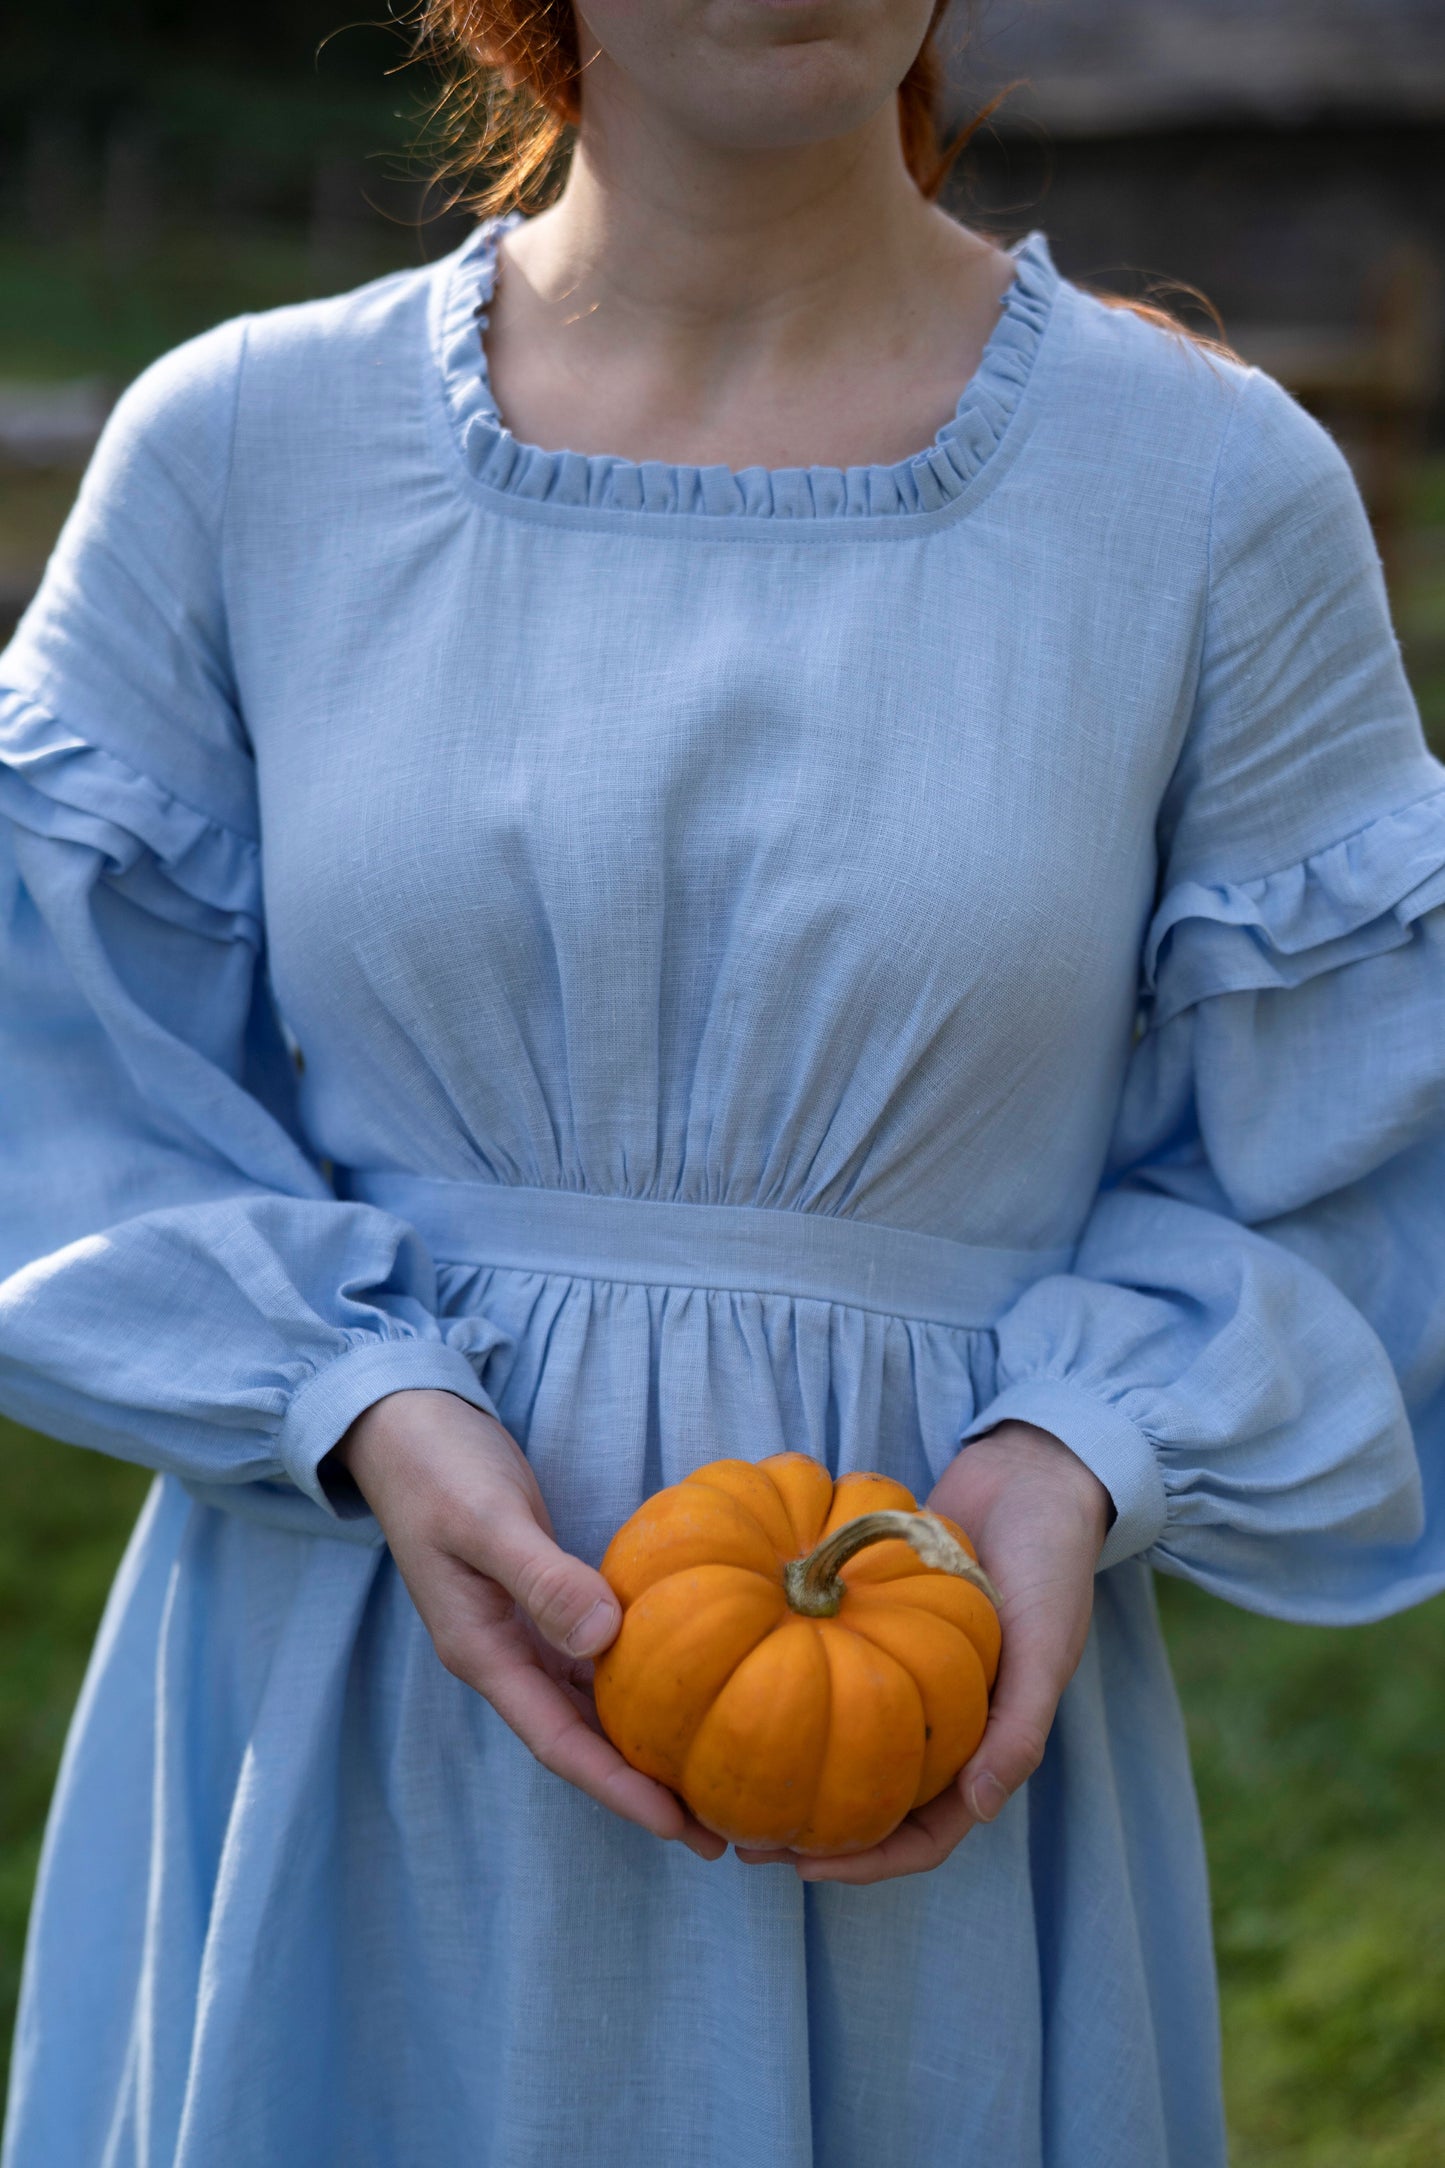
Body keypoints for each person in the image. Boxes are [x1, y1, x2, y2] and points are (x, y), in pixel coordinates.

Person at [2, 0, 1443, 2156]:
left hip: (925, 1738)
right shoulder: (239, 449)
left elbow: (1366, 1145)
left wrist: (1072, 1453)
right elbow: (52, 1069)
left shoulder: (1212, 492)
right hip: (346, 1690)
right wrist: (362, 1400)